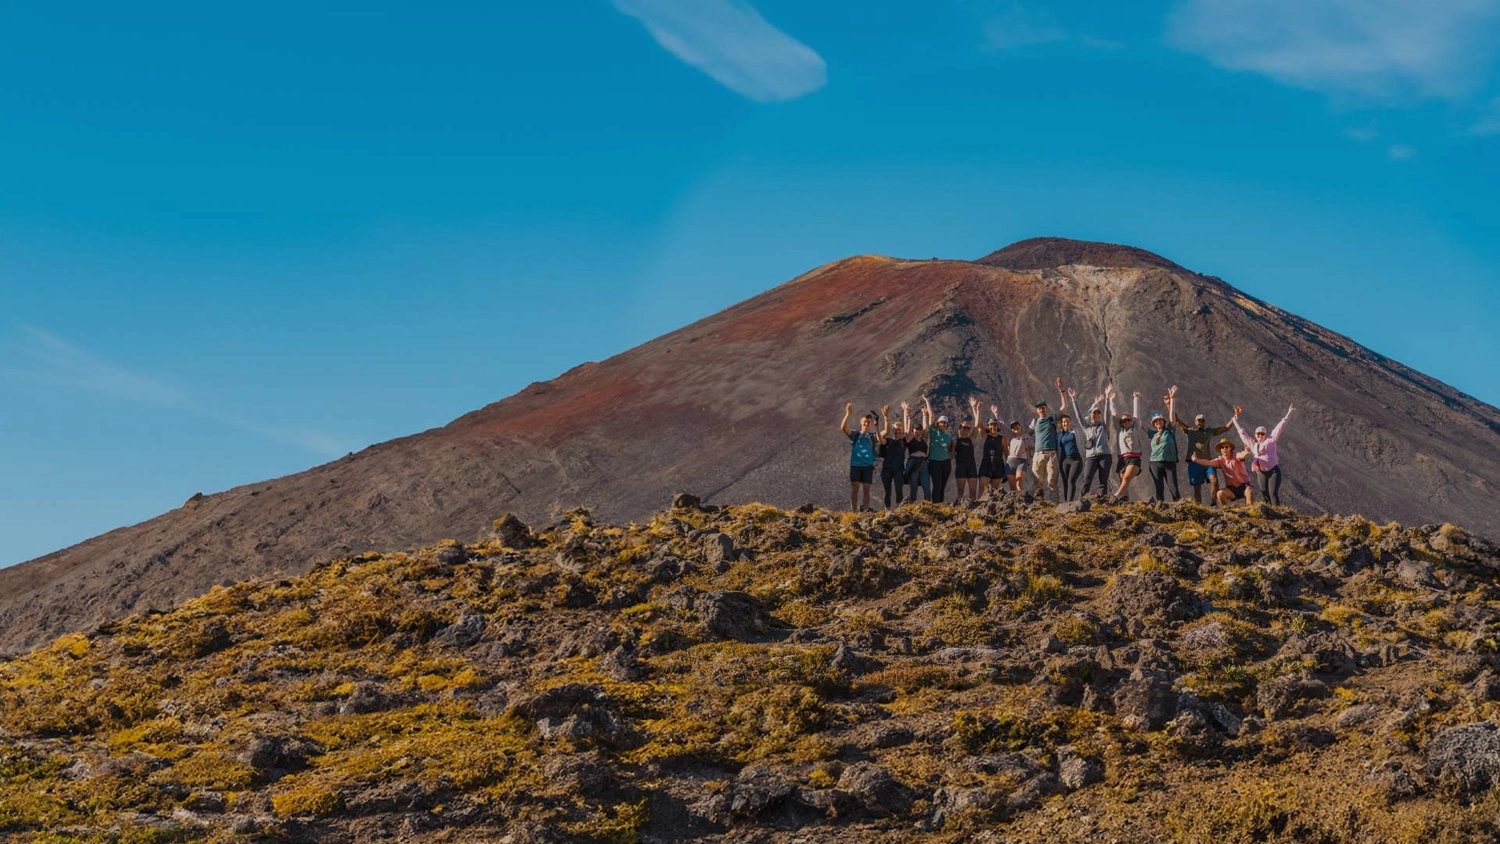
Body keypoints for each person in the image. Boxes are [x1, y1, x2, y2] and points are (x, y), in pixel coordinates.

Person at [1233, 403, 1295, 506]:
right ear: (1255, 435)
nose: (1260, 436)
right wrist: (1235, 420)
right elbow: (1242, 434)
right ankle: (1269, 513)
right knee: (1265, 493)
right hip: (1262, 473)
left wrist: (1288, 414)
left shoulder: (1271, 440)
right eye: (1258, 434)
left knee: (1273, 493)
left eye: (1262, 434)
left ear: (1265, 435)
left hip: (1274, 471)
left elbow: (1280, 427)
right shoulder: (1253, 445)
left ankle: (1277, 513)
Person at [1174, 407, 1234, 505]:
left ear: (1204, 423)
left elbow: (1226, 428)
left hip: (1207, 462)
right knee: (1197, 486)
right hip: (1194, 462)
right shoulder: (1190, 431)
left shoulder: (1209, 432)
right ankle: (1199, 507)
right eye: (1198, 421)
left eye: (1202, 421)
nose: (1200, 423)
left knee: (1214, 480)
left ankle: (1213, 503)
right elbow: (1176, 420)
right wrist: (1169, 403)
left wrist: (1235, 416)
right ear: (1195, 422)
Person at [1029, 378, 1070, 502]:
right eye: (1039, 408)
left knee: (1052, 480)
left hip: (1051, 453)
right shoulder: (1034, 422)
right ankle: (1039, 504)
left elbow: (1064, 407)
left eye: (1043, 407)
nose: (1041, 409)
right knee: (1037, 481)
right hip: (1038, 454)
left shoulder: (1052, 419)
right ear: (1037, 410)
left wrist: (1062, 391)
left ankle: (1054, 504)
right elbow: (1027, 435)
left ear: (1046, 409)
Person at [1189, 438, 1255, 506]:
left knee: (1249, 490)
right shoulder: (1220, 461)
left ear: (1230, 448)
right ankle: (1227, 512)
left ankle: (1251, 511)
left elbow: (1241, 455)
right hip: (1232, 489)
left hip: (1243, 486)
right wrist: (1196, 460)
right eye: (1222, 447)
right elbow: (1208, 462)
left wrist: (1246, 452)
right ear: (1220, 450)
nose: (1224, 449)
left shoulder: (1235, 455)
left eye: (1226, 447)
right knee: (1220, 493)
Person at [1077, 386, 1115, 498]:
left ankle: (1103, 501)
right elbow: (1079, 416)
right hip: (1091, 457)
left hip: (1104, 456)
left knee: (1103, 481)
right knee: (1087, 479)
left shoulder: (1104, 426)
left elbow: (1107, 414)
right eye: (1094, 414)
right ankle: (1082, 499)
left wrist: (1107, 397)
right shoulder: (1086, 427)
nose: (1096, 415)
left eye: (1098, 414)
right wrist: (1073, 399)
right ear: (1091, 416)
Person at [840, 402, 878, 511]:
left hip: (868, 466)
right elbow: (843, 427)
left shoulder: (873, 436)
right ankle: (854, 512)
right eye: (865, 422)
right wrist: (848, 413)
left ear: (871, 424)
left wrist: (885, 419)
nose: (867, 424)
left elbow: (886, 432)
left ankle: (865, 511)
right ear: (861, 422)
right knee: (855, 488)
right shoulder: (855, 434)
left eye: (869, 422)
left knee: (866, 489)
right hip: (856, 465)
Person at [1147, 386, 1182, 503]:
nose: (1159, 422)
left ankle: (1178, 505)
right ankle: (1160, 504)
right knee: (1159, 485)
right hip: (1155, 462)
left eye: (1160, 420)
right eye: (1156, 421)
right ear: (1154, 423)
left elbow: (1172, 415)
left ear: (1163, 421)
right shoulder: (1153, 434)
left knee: (1173, 485)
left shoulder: (1170, 430)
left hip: (1170, 461)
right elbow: (1139, 424)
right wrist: (1135, 400)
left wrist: (1171, 399)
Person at [923, 396, 955, 504]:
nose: (942, 424)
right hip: (934, 461)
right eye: (941, 422)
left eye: (944, 423)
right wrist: (928, 401)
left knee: (942, 485)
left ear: (947, 425)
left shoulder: (948, 437)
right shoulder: (933, 432)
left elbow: (951, 450)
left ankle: (941, 505)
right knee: (937, 484)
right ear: (938, 423)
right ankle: (935, 505)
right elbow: (931, 416)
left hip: (946, 462)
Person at [1113, 391, 1144, 501]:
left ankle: (1115, 497)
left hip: (1134, 458)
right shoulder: (1120, 430)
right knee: (1122, 481)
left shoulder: (1135, 428)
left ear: (1131, 421)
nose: (1126, 422)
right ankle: (1125, 501)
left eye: (1128, 420)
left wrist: (1136, 399)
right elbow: (1115, 417)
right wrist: (1112, 401)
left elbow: (1137, 414)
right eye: (1124, 421)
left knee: (1126, 478)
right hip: (1122, 458)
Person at [878, 404, 909, 510]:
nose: (897, 431)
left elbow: (908, 431)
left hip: (898, 470)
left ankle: (898, 509)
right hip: (887, 469)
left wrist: (906, 412)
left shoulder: (904, 442)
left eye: (899, 429)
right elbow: (881, 439)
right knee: (887, 491)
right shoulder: (889, 441)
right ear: (893, 430)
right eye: (895, 429)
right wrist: (885, 418)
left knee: (898, 489)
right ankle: (887, 510)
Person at [952, 398, 983, 501]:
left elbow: (977, 425)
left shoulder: (971, 439)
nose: (966, 430)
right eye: (964, 428)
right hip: (960, 466)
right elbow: (951, 456)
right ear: (959, 428)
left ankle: (973, 509)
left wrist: (976, 409)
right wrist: (953, 447)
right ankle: (959, 509)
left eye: (967, 428)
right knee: (960, 491)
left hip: (971, 467)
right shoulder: (956, 441)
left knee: (973, 491)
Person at [978, 404, 1009, 496]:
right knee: (982, 486)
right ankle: (979, 506)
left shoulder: (1002, 438)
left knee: (995, 489)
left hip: (998, 464)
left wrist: (1009, 467)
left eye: (995, 425)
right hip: (986, 463)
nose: (993, 427)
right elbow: (978, 424)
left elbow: (1006, 453)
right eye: (991, 425)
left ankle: (992, 508)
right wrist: (977, 409)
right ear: (988, 426)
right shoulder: (986, 436)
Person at [905, 406, 932, 502]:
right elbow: (907, 431)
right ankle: (911, 505)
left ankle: (928, 505)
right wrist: (909, 417)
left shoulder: (923, 439)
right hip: (913, 463)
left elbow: (926, 428)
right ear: (913, 431)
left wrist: (925, 415)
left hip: (924, 463)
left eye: (920, 430)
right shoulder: (910, 439)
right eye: (916, 430)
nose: (918, 432)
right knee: (914, 487)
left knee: (926, 486)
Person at [1057, 410, 1083, 501]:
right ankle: (1066, 502)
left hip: (1076, 460)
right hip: (1064, 460)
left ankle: (1069, 502)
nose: (1066, 423)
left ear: (1070, 422)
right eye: (1064, 422)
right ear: (1061, 423)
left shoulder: (1075, 431)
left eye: (1067, 421)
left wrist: (1095, 404)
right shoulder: (1059, 434)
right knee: (1065, 482)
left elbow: (1083, 418)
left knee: (1071, 480)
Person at [1006, 421, 1031, 492]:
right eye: (1013, 427)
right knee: (1012, 487)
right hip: (1010, 462)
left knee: (1019, 484)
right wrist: (996, 414)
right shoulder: (1010, 438)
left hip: (1022, 461)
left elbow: (1034, 446)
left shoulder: (1026, 437)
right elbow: (1003, 426)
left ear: (1020, 427)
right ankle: (1014, 502)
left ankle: (1023, 500)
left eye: (1016, 426)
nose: (1015, 428)